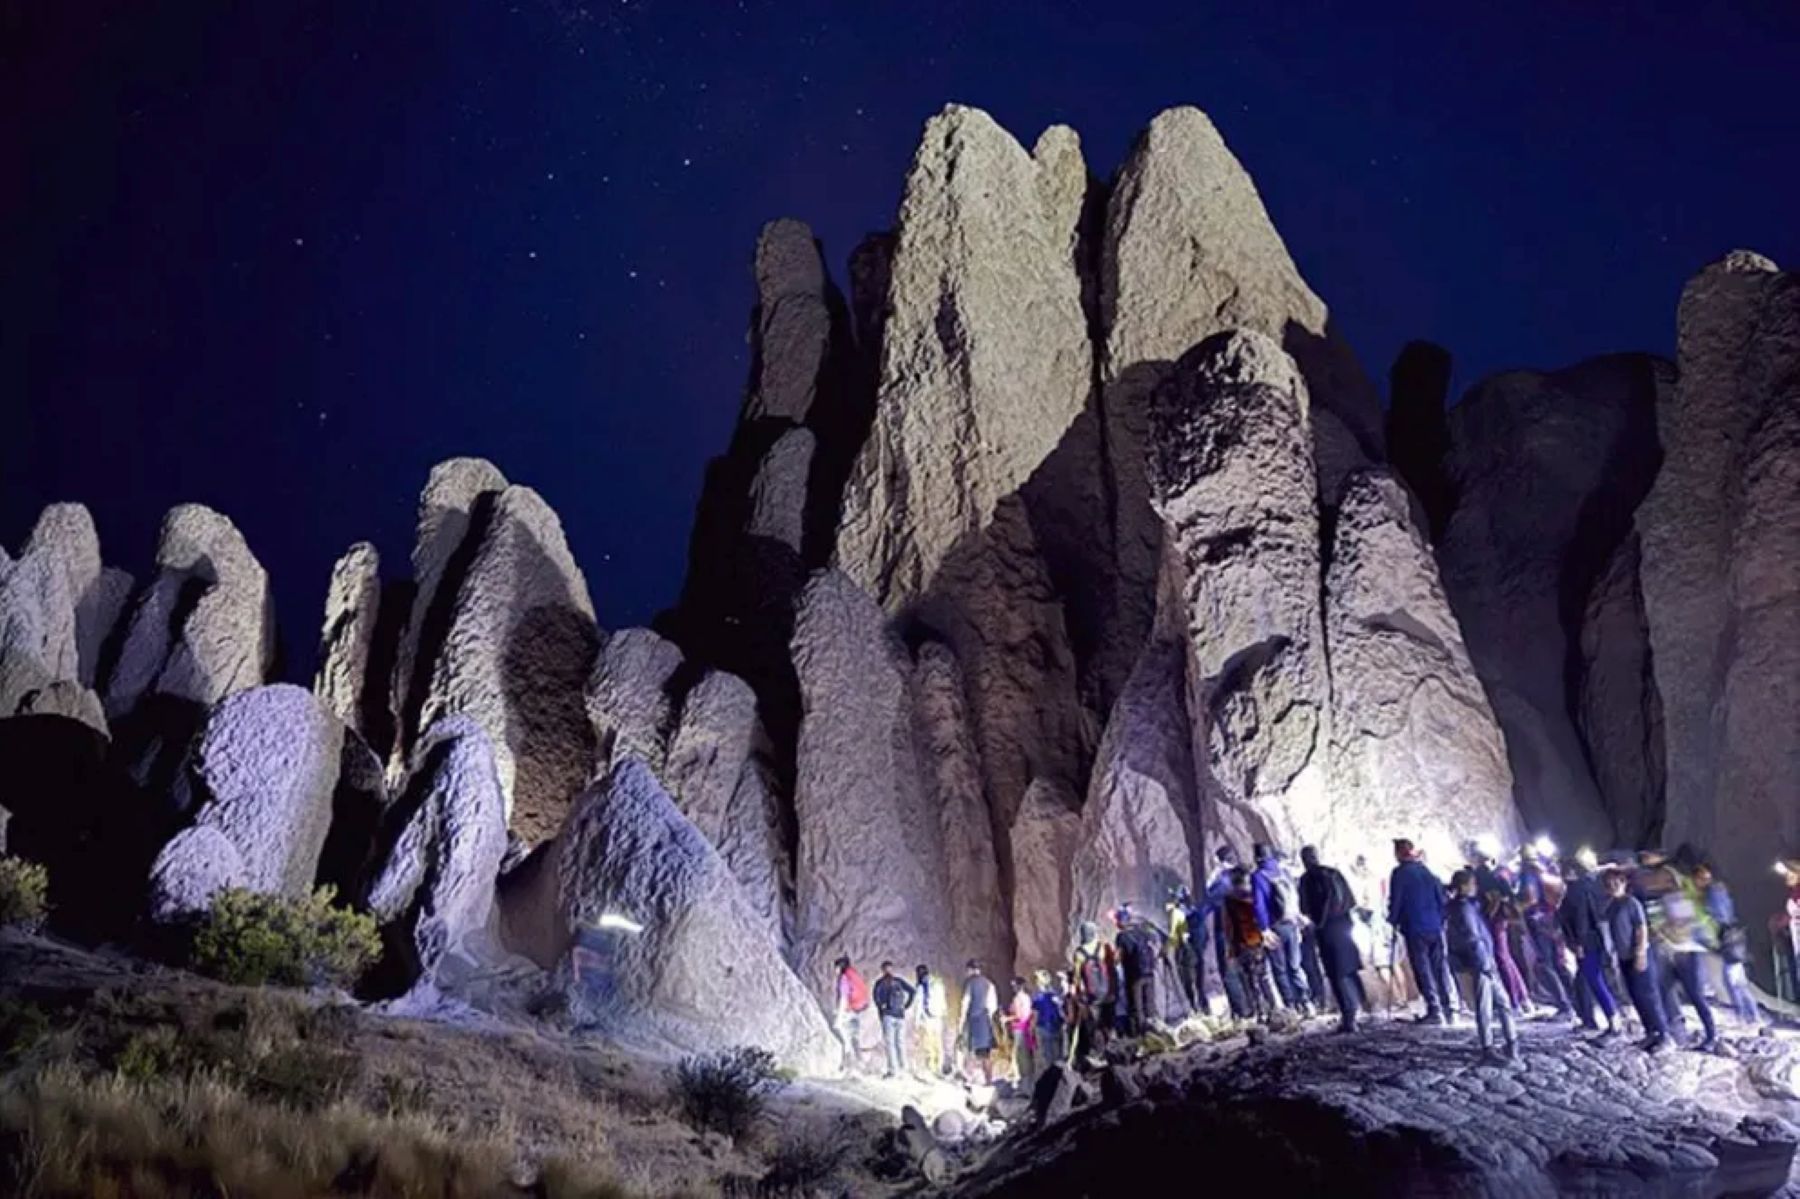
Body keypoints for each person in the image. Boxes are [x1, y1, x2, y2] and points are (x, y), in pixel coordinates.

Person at [1447, 869, 1520, 1063]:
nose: (1476, 887)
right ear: (1463, 886)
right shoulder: (1463, 908)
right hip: (1481, 962)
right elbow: (1473, 937)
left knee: (1501, 1003)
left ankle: (1511, 1042)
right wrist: (1484, 962)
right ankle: (1489, 1047)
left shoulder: (1464, 906)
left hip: (1484, 961)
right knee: (1485, 1006)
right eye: (1472, 884)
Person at [1389, 839, 1455, 1024]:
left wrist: (1393, 920)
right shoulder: (1427, 871)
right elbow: (1441, 898)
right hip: (1434, 926)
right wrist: (1440, 920)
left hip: (1415, 927)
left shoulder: (1400, 873)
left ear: (1399, 853)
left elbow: (1397, 900)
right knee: (1440, 967)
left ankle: (1435, 1010)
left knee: (1423, 969)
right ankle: (1449, 1008)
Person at [1298, 845, 1363, 1034]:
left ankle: (1349, 1017)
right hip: (1344, 926)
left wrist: (1318, 921)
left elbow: (1304, 907)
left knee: (1336, 973)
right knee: (1349, 969)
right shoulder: (1334, 873)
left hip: (1326, 929)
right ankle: (1358, 1009)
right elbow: (1351, 900)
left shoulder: (1307, 879)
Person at [1604, 867, 1668, 1052]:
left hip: (1638, 956)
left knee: (1649, 997)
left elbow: (1641, 929)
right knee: (1637, 997)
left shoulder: (1631, 903)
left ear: (1624, 882)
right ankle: (1650, 1033)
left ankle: (1664, 1036)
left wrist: (1640, 954)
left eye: (1616, 882)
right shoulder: (1612, 906)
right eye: (1609, 883)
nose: (1613, 886)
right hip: (1624, 958)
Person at [1558, 856, 1621, 1039]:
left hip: (1587, 944)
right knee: (1584, 982)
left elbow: (1581, 918)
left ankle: (1613, 1021)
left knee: (1595, 981)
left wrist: (1578, 943)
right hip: (1595, 941)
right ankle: (1590, 1020)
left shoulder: (1577, 890)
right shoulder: (1591, 885)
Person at [1694, 863, 1759, 1027]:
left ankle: (1745, 1016)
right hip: (1731, 938)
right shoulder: (1717, 890)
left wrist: (1708, 924)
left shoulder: (1713, 893)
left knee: (1732, 981)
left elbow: (1721, 916)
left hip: (1728, 939)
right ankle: (1751, 1015)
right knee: (1737, 980)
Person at [1254, 845, 1313, 1015]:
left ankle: (1291, 1006)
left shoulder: (1258, 876)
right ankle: (1307, 1002)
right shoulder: (1283, 872)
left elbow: (1260, 904)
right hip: (1292, 924)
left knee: (1279, 969)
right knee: (1295, 965)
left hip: (1275, 927)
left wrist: (1264, 929)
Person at [1225, 866, 1281, 1019]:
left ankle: (1260, 1011)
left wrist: (1231, 947)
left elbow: (1229, 925)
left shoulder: (1230, 900)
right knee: (1264, 977)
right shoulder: (1254, 896)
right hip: (1258, 940)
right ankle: (1274, 1008)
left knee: (1251, 980)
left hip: (1244, 943)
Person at [1206, 847, 1253, 1018]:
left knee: (1229, 973)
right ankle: (1258, 1007)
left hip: (1226, 932)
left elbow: (1209, 898)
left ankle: (1241, 1012)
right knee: (1251, 970)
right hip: (1248, 930)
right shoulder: (1244, 876)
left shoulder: (1223, 881)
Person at [1520, 874, 1575, 1019]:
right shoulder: (1532, 910)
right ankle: (1569, 1003)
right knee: (1552, 969)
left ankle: (1567, 1004)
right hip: (1545, 940)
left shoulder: (1546, 906)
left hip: (1551, 940)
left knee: (1553, 969)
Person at [1114, 904, 1163, 1035]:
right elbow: (1154, 945)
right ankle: (1156, 1031)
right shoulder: (1142, 930)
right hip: (1149, 972)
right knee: (1150, 1004)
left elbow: (1117, 958)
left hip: (1134, 976)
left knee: (1137, 1007)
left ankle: (1142, 1035)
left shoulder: (1122, 937)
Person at [1071, 922, 1113, 1065]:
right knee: (1106, 1022)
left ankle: (1099, 1053)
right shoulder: (1101, 948)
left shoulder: (1079, 953)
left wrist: (1076, 995)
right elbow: (1110, 966)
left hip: (1092, 995)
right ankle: (1111, 1049)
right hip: (1106, 991)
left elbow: (1077, 977)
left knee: (1094, 1025)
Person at [871, 961, 916, 1078]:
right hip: (900, 1015)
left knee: (890, 1043)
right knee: (900, 1042)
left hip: (888, 1016)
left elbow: (876, 1000)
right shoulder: (899, 982)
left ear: (882, 970)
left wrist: (882, 1014)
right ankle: (904, 1068)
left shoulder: (880, 983)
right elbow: (912, 991)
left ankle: (893, 1070)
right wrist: (906, 1006)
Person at [960, 959, 999, 1084]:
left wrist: (961, 1022)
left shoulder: (970, 983)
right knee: (985, 1053)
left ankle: (970, 1079)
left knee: (969, 1049)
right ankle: (989, 1080)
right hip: (985, 1020)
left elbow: (965, 1003)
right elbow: (993, 1006)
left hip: (973, 1019)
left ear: (970, 969)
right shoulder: (989, 984)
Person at [833, 956, 872, 1073]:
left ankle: (846, 1065)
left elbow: (844, 998)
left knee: (845, 1038)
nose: (835, 970)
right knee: (855, 1036)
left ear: (840, 967)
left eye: (836, 967)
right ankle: (860, 1063)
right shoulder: (854, 975)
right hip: (858, 1009)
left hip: (848, 1011)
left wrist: (839, 1016)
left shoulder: (844, 978)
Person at [1165, 887, 1200, 1012]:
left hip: (1184, 951)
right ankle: (1200, 1006)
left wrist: (1166, 949)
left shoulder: (1176, 913)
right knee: (1196, 980)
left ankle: (1193, 1008)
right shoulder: (1192, 911)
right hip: (1194, 949)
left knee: (1187, 980)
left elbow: (1173, 935)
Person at [910, 963, 948, 1076]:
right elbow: (943, 1000)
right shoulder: (938, 983)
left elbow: (919, 1005)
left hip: (927, 1018)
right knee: (938, 1042)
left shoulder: (922, 986)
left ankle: (932, 1068)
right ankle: (940, 1065)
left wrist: (916, 1022)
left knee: (929, 1043)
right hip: (938, 1017)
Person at [1033, 970, 1067, 1070]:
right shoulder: (1056, 995)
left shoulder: (1038, 998)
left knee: (1048, 1055)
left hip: (1044, 1027)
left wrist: (1032, 1028)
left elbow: (1035, 1014)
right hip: (1057, 1026)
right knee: (1058, 1054)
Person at [1006, 976, 1036, 1084]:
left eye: (1015, 985)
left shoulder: (1018, 998)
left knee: (1020, 1055)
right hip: (1026, 1028)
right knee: (1026, 1054)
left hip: (1019, 1028)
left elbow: (1019, 1015)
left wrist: (1006, 1018)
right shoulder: (1027, 997)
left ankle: (1024, 1082)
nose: (1013, 988)